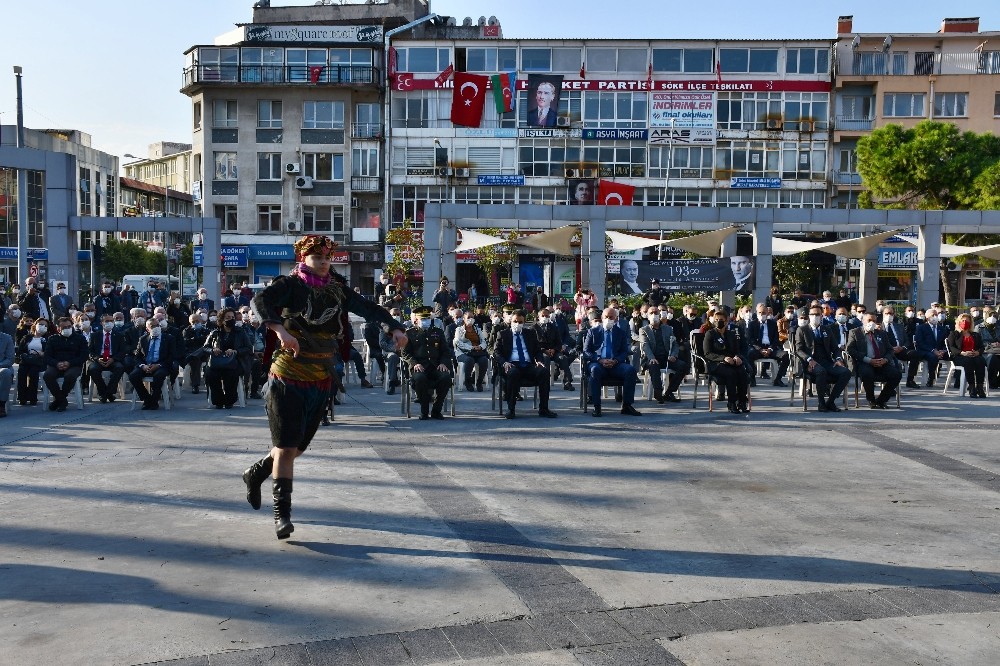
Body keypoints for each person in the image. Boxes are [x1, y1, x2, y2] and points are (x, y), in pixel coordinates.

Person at [243, 235, 407, 539]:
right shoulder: (290, 284)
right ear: (304, 258)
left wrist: (394, 327)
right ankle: (282, 516)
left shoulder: (336, 287)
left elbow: (367, 308)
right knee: (286, 446)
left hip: (320, 376)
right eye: (317, 258)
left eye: (327, 258)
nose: (323, 263)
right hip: (287, 374)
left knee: (296, 449)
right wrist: (280, 330)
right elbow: (259, 301)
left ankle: (255, 473)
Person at [492, 309, 557, 419]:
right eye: (515, 321)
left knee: (544, 372)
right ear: (511, 321)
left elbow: (537, 350)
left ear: (524, 322)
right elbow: (496, 352)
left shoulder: (530, 333)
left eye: (520, 322)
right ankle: (511, 409)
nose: (517, 324)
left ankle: (544, 409)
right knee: (513, 373)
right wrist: (504, 363)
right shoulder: (503, 334)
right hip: (511, 365)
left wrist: (539, 361)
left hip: (527, 365)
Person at [583, 307, 641, 418]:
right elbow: (586, 351)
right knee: (594, 370)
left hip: (616, 364)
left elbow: (624, 351)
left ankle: (627, 405)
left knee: (630, 370)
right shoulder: (592, 332)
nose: (608, 319)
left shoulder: (621, 333)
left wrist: (615, 360)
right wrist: (600, 360)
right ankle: (597, 406)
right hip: (598, 363)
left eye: (611, 317)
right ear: (602, 318)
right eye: (606, 317)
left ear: (616, 319)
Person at [794, 306, 851, 412]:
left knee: (846, 372)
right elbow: (798, 350)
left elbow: (835, 348)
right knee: (821, 372)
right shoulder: (802, 330)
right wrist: (809, 359)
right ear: (809, 316)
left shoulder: (826, 329)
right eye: (812, 315)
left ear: (821, 316)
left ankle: (830, 401)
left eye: (817, 315)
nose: (815, 317)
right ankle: (821, 403)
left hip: (827, 361)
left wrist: (838, 359)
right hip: (811, 363)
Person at [401, 306, 453, 420]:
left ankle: (436, 410)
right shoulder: (409, 333)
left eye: (428, 319)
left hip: (435, 366)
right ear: (416, 320)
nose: (426, 321)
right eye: (423, 319)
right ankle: (424, 411)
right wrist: (414, 363)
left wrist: (443, 363)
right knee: (420, 379)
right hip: (419, 367)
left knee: (445, 378)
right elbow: (405, 353)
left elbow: (445, 351)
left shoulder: (438, 332)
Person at [846, 312, 901, 409]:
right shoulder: (855, 332)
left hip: (881, 362)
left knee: (896, 374)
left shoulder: (882, 333)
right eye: (869, 320)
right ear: (863, 321)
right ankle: (871, 399)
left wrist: (885, 360)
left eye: (874, 321)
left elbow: (890, 350)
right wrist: (868, 360)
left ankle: (881, 400)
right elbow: (850, 350)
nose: (872, 323)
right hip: (864, 362)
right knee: (867, 373)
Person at [702, 310, 750, 414]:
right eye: (717, 320)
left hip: (731, 362)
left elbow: (737, 350)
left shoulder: (731, 334)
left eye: (721, 320)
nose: (719, 322)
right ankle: (731, 403)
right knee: (731, 374)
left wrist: (737, 357)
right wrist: (723, 358)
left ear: (727, 321)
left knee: (742, 372)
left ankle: (742, 401)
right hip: (716, 364)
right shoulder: (710, 334)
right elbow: (707, 353)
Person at [639, 306, 688, 404]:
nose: (654, 315)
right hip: (652, 358)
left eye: (656, 313)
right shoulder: (644, 330)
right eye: (651, 313)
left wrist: (674, 355)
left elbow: (674, 344)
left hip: (666, 357)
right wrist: (652, 358)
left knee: (683, 366)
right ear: (647, 316)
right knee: (654, 366)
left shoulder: (668, 329)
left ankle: (669, 392)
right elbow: (645, 346)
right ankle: (658, 392)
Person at [203, 308, 251, 409]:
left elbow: (248, 348)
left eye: (232, 317)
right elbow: (205, 348)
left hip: (235, 362)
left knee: (231, 374)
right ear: (222, 319)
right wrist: (213, 349)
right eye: (228, 317)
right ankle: (218, 400)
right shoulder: (215, 333)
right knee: (211, 374)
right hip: (217, 363)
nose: (231, 319)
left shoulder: (240, 332)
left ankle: (230, 400)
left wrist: (236, 351)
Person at [42, 317, 87, 412]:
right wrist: (57, 363)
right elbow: (47, 357)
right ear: (58, 328)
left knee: (70, 376)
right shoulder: (52, 339)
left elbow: (83, 356)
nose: (67, 329)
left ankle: (59, 399)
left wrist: (69, 363)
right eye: (64, 327)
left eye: (69, 326)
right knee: (48, 375)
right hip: (56, 365)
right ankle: (62, 400)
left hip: (73, 365)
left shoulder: (80, 338)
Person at [129, 317, 174, 410]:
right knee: (133, 376)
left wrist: (158, 365)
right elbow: (137, 357)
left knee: (159, 376)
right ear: (147, 329)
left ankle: (154, 400)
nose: (156, 328)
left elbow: (172, 356)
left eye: (157, 325)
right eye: (152, 326)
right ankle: (147, 398)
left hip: (161, 365)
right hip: (146, 365)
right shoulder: (143, 339)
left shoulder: (169, 338)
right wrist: (143, 366)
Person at [87, 315, 127, 403]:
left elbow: (122, 351)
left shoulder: (119, 336)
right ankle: (104, 393)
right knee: (92, 369)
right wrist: (97, 359)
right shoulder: (95, 335)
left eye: (111, 321)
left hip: (113, 359)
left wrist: (113, 359)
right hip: (99, 359)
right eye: (107, 321)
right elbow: (89, 351)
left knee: (119, 367)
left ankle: (107, 393)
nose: (109, 323)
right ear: (101, 323)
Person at [947, 313, 987, 398]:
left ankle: (980, 387)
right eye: (963, 320)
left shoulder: (975, 334)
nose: (965, 322)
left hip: (974, 355)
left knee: (981, 361)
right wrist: (963, 353)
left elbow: (981, 347)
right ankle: (971, 387)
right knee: (968, 362)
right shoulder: (954, 334)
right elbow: (951, 348)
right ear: (959, 322)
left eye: (967, 321)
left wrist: (977, 352)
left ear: (970, 322)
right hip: (960, 356)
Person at [747, 308, 789, 387]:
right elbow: (750, 340)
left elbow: (776, 339)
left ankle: (778, 379)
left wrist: (770, 349)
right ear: (756, 313)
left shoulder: (772, 324)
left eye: (763, 313)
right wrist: (760, 349)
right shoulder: (752, 324)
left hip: (771, 348)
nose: (761, 314)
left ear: (767, 314)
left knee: (785, 355)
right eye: (760, 312)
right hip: (758, 349)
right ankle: (752, 378)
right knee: (749, 354)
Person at [909, 308, 949, 388]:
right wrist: (933, 350)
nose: (935, 317)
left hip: (939, 351)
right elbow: (920, 342)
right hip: (925, 350)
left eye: (936, 315)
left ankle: (957, 380)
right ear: (927, 318)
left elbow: (946, 342)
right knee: (932, 357)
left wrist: (943, 350)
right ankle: (931, 378)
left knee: (953, 356)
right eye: (933, 315)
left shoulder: (942, 329)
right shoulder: (921, 328)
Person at [454, 310, 488, 392]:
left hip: (477, 352)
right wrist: (471, 347)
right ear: (464, 319)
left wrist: (480, 347)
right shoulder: (459, 329)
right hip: (463, 353)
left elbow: (484, 341)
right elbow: (458, 342)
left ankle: (479, 382)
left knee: (484, 360)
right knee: (469, 360)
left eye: (472, 317)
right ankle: (468, 382)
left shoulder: (477, 329)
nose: (471, 319)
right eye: (468, 317)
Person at [17, 318, 48, 406]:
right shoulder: (27, 337)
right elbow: (20, 351)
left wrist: (42, 353)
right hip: (26, 360)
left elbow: (50, 352)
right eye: (41, 324)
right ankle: (22, 397)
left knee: (33, 373)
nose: (43, 327)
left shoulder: (46, 339)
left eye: (45, 326)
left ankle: (32, 397)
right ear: (35, 325)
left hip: (39, 361)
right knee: (22, 372)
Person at [0, 329, 13, 416]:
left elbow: (10, 359)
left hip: (2, 366)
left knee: (6, 372)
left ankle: (1, 405)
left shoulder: (7, 338)